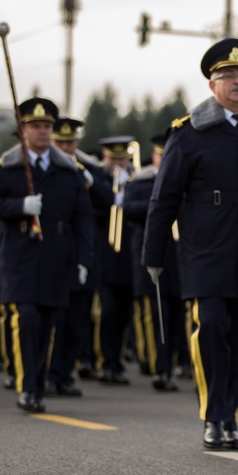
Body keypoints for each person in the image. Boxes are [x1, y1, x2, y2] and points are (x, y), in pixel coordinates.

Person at [142, 38, 238, 449]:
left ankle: (230, 414)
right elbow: (164, 198)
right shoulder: (190, 132)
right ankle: (213, 416)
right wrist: (154, 254)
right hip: (205, 248)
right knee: (211, 326)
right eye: (227, 76)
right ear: (212, 85)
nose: (236, 82)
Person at [0, 97, 95, 413]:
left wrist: (84, 258)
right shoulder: (7, 168)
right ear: (23, 130)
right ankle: (27, 386)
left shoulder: (68, 171)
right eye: (35, 126)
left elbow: (83, 217)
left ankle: (38, 384)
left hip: (56, 256)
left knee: (47, 323)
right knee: (26, 317)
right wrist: (19, 207)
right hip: (19, 256)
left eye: (46, 126)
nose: (42, 132)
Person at [50, 116, 112, 388]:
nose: (66, 147)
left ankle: (65, 374)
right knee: (55, 320)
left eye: (70, 142)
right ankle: (48, 375)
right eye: (60, 142)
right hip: (55, 250)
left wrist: (91, 183)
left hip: (85, 250)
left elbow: (109, 202)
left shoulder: (89, 168)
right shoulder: (47, 167)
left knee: (78, 319)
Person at [124, 131, 186, 392]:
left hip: (181, 256)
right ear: (155, 156)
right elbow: (129, 209)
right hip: (153, 252)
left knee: (180, 315)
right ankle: (158, 367)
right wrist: (161, 205)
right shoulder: (141, 182)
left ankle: (181, 363)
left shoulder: (186, 180)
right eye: (162, 154)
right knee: (155, 314)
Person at [95, 135, 137, 385]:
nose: (118, 163)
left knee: (123, 315)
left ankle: (117, 362)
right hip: (104, 255)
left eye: (122, 158)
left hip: (128, 258)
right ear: (105, 158)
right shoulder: (99, 180)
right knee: (107, 312)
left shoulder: (134, 181)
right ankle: (104, 361)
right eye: (114, 158)